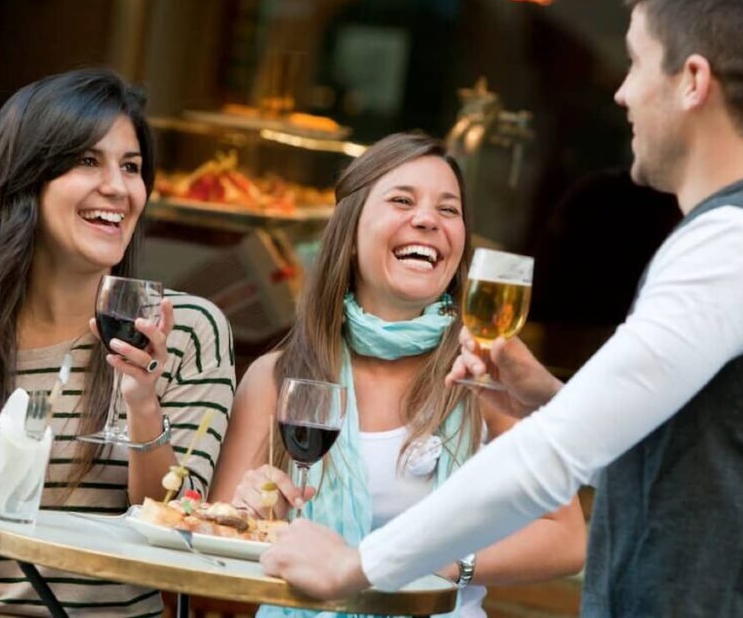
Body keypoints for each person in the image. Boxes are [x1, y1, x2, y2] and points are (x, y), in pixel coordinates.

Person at [258, 0, 743, 616]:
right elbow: (708, 449)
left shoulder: (733, 241)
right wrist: (550, 396)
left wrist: (357, 562)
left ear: (692, 81)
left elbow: (551, 459)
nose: (621, 92)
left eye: (638, 62)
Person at [0, 68, 235, 616]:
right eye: (86, 161)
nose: (118, 188)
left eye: (132, 167)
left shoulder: (186, 329)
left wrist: (141, 403)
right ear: (23, 179)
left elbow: (175, 524)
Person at [210, 132, 586, 617]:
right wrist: (259, 517)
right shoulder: (280, 377)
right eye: (402, 201)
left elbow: (567, 538)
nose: (427, 219)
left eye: (449, 210)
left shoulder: (484, 376)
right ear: (348, 238)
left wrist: (445, 561)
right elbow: (217, 543)